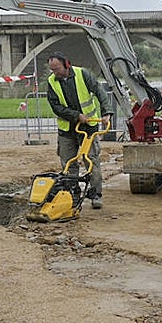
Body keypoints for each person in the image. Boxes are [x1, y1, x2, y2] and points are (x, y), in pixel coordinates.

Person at [45, 51, 111, 209]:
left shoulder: (83, 74)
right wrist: (76, 115)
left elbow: (99, 91)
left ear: (66, 64)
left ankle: (96, 194)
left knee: (91, 160)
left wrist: (106, 112)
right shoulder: (52, 81)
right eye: (52, 70)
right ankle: (72, 194)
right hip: (67, 129)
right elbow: (56, 106)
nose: (55, 73)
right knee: (68, 163)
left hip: (88, 127)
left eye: (57, 69)